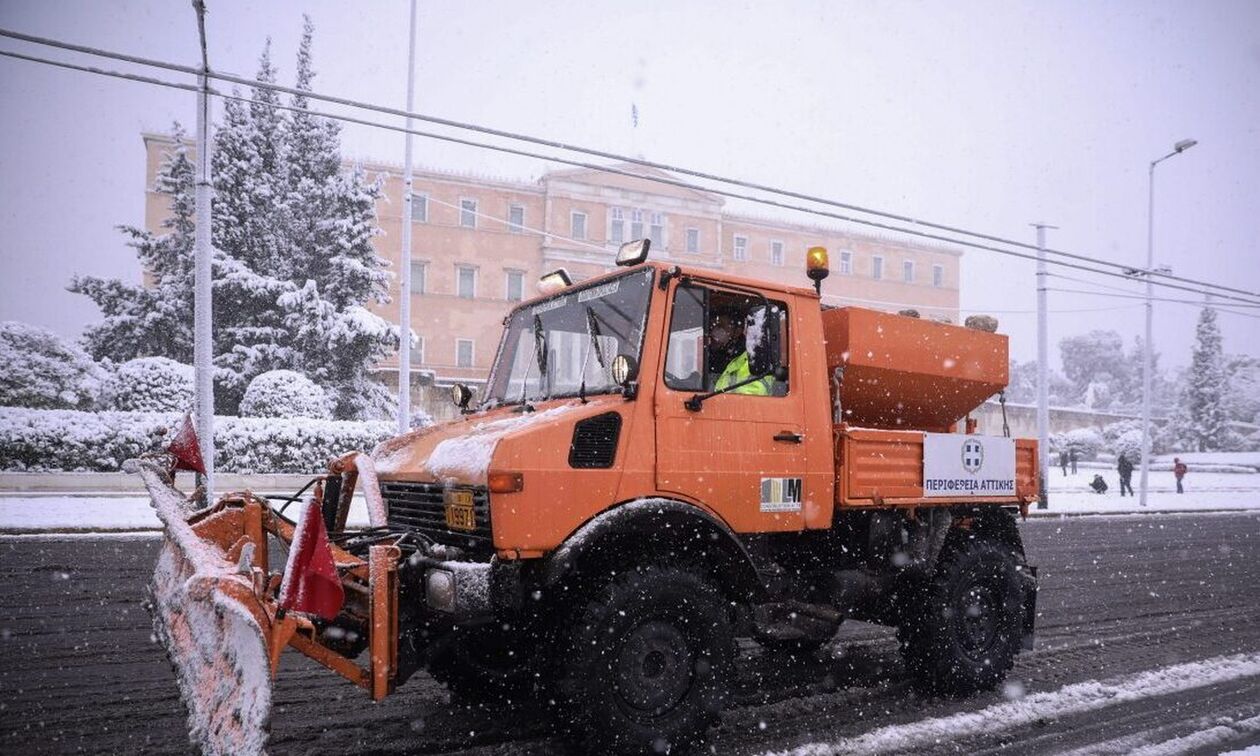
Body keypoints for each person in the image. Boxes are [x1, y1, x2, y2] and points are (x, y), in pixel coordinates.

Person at [712, 306, 774, 396]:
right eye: (713, 326)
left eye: (720, 326)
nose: (714, 331)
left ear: (737, 331)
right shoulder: (716, 357)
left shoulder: (754, 361)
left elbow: (749, 400)